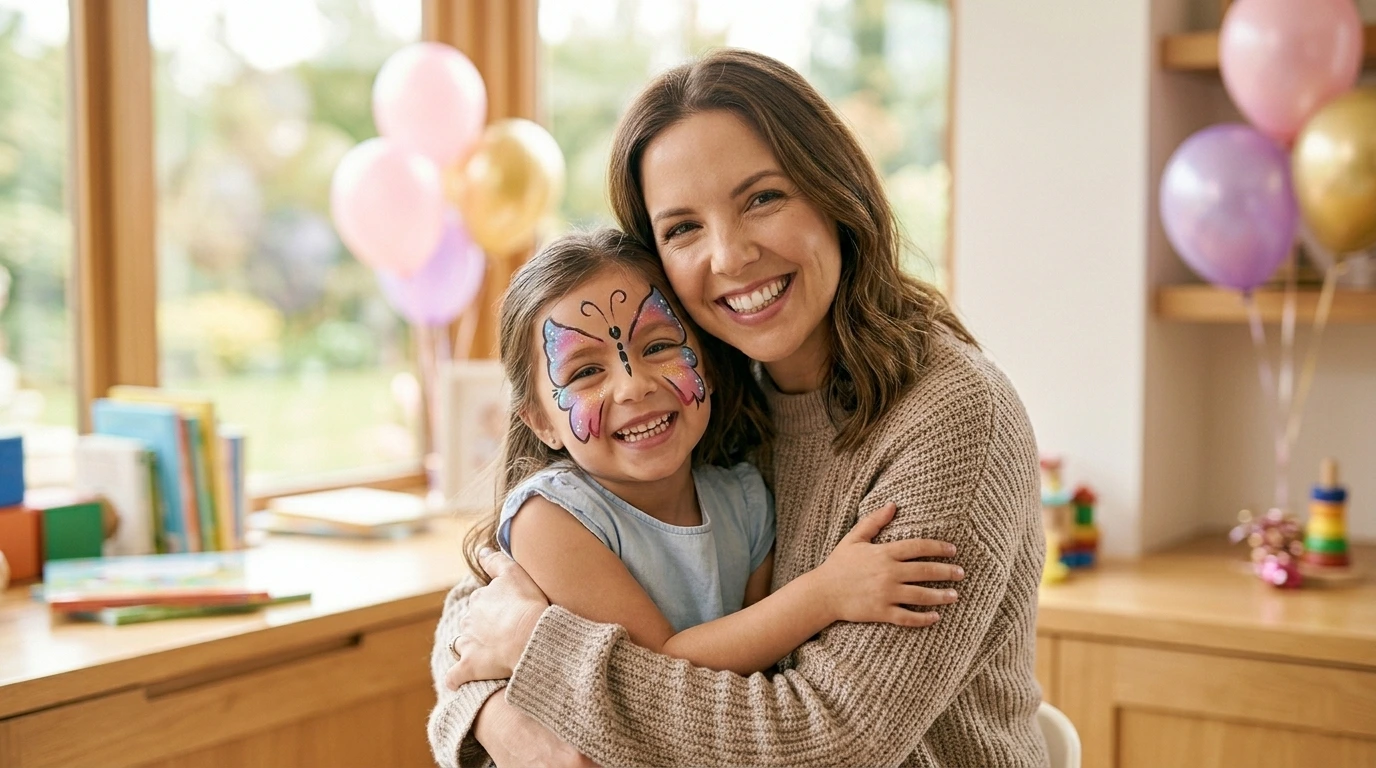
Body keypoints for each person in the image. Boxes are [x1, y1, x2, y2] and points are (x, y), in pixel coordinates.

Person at [429, 48, 1047, 768]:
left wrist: (542, 658)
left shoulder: (952, 416)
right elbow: (478, 613)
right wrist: (501, 720)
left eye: (762, 197)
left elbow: (829, 741)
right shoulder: (708, 410)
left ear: (834, 193)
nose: (728, 256)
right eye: (683, 228)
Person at [448, 228, 959, 688]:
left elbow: (763, 669)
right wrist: (825, 593)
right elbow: (660, 672)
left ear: (709, 368)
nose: (633, 386)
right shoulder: (551, 519)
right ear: (539, 420)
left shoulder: (746, 500)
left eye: (659, 345)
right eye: (585, 373)